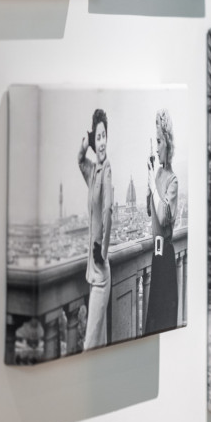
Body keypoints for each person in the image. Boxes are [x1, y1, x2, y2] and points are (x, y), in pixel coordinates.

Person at [78, 109, 114, 351]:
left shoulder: (107, 169)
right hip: (93, 272)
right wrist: (85, 146)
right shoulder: (93, 172)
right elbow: (80, 161)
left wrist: (104, 248)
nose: (101, 143)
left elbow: (108, 210)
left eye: (104, 137)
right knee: (99, 344)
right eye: (97, 137)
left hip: (100, 270)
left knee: (90, 345)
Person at [144, 110, 180, 334]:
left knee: (163, 319)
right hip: (155, 256)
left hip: (165, 256)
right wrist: (148, 179)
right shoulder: (157, 176)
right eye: (155, 142)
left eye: (159, 141)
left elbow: (164, 215)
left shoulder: (173, 180)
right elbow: (150, 211)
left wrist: (153, 183)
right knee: (152, 321)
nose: (157, 148)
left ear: (167, 143)